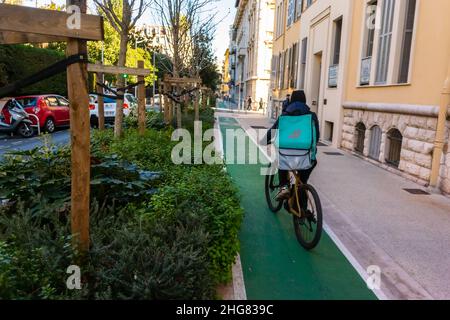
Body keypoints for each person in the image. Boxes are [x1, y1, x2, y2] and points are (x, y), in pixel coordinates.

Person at [264, 90, 320, 201]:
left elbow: (273, 131)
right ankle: (301, 189)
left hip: (286, 155)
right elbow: (316, 136)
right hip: (306, 156)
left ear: (291, 100)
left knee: (280, 161)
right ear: (304, 101)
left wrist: (266, 140)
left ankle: (284, 186)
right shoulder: (312, 116)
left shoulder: (284, 116)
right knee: (303, 180)